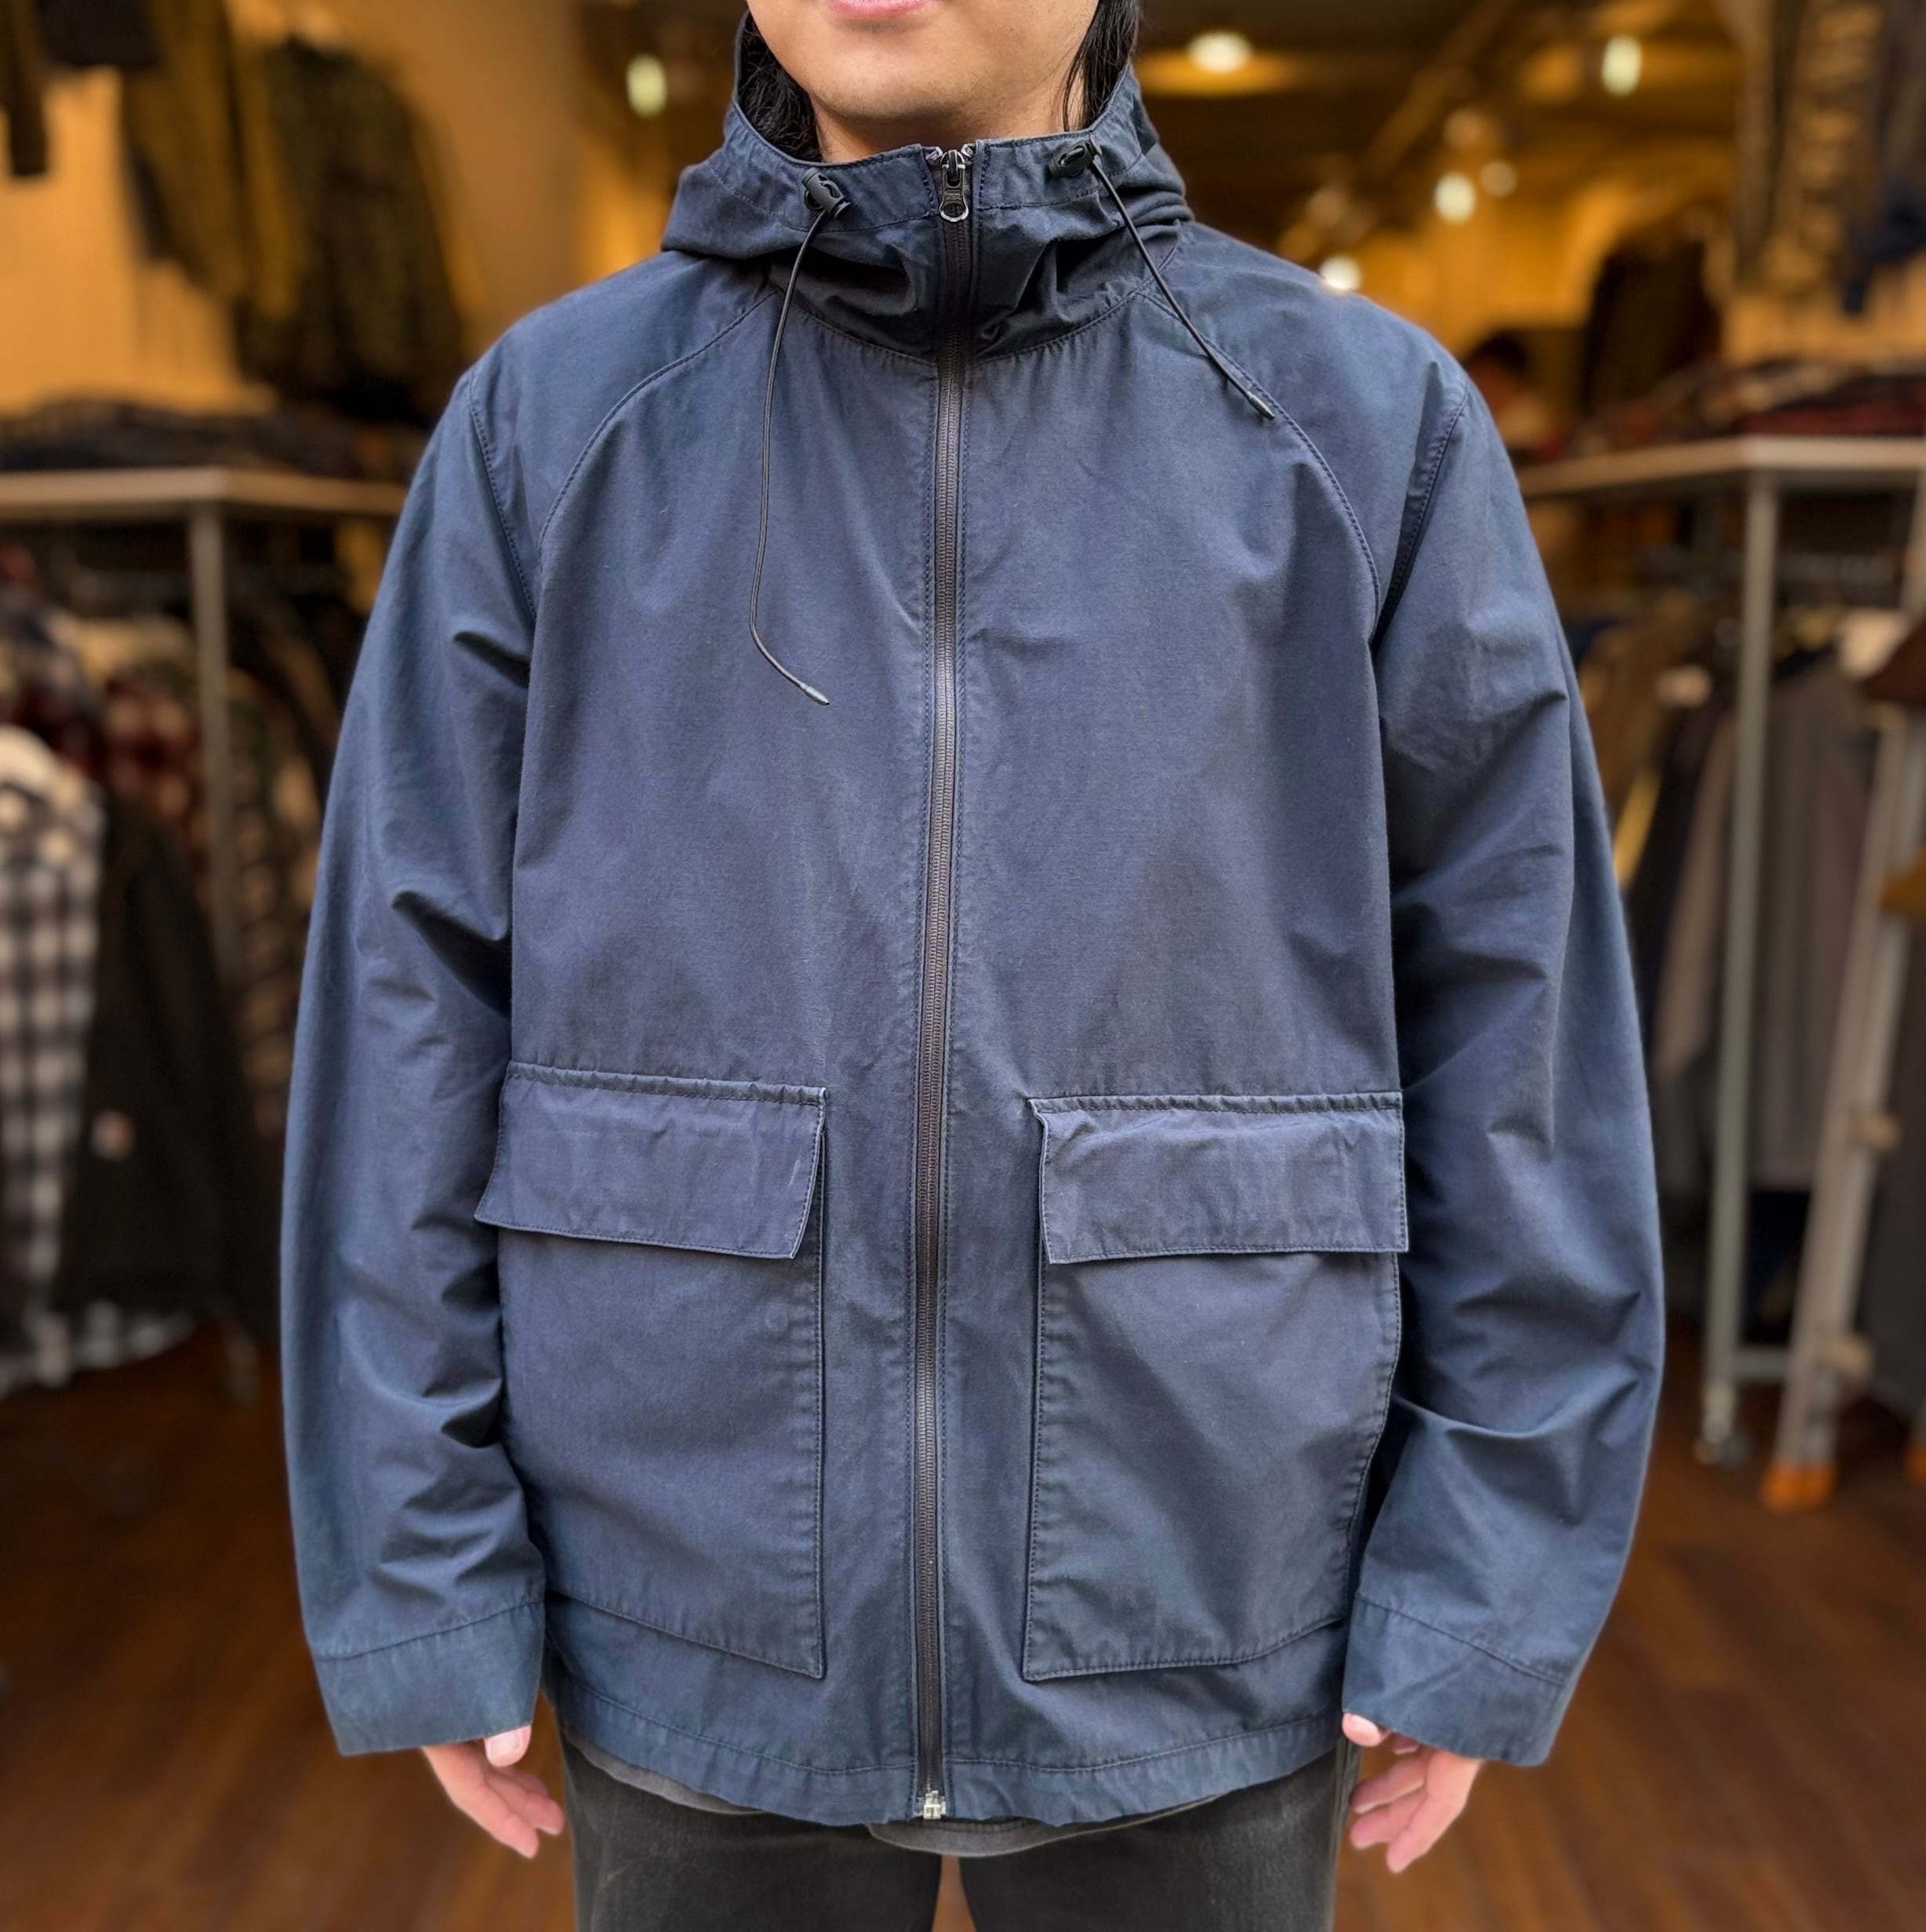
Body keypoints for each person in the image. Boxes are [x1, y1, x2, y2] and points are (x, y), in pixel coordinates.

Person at [277, 2, 1666, 1927]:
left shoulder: (1364, 425)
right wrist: (422, 1566)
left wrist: (1481, 1578)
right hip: (689, 1585)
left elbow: (1516, 1022)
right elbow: (403, 1009)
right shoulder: (549, 425)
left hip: (1201, 1579)